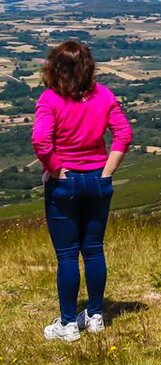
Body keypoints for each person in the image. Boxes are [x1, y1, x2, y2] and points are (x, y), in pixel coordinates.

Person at [31, 41, 133, 342]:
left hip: (65, 182)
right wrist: (107, 172)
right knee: (93, 249)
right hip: (97, 180)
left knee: (66, 256)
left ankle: (67, 324)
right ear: (89, 66)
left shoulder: (50, 99)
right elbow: (124, 134)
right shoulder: (104, 95)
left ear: (54, 67)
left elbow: (40, 140)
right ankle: (95, 315)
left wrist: (55, 167)